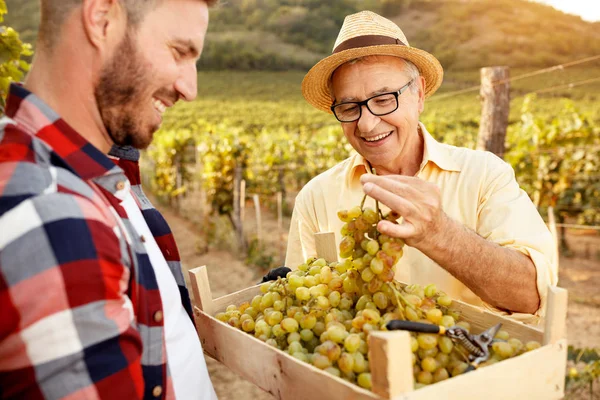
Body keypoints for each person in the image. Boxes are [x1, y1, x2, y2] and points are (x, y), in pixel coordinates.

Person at [0, 0, 219, 398]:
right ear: (101, 19)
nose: (191, 89)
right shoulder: (54, 215)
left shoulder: (97, 177)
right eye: (179, 51)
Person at [286, 11, 557, 323]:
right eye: (349, 107)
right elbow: (303, 304)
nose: (367, 122)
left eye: (384, 100)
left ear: (419, 94)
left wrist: (440, 233)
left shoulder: (485, 176)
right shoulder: (315, 198)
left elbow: (533, 296)